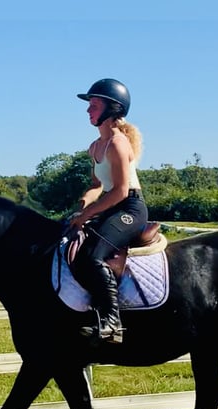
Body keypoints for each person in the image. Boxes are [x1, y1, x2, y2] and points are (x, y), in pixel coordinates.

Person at [69, 78, 148, 344]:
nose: (88, 110)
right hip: (111, 207)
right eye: (89, 105)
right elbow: (97, 185)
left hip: (131, 209)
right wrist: (83, 204)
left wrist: (87, 215)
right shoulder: (95, 147)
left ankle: (112, 323)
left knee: (93, 256)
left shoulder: (117, 143)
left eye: (94, 105)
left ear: (112, 109)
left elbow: (120, 191)